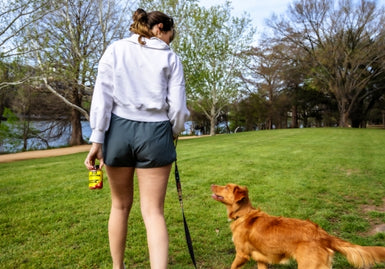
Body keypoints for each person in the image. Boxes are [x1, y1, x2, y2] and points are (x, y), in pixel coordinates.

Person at [84, 8, 190, 269]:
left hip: (118, 132)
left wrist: (97, 140)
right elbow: (177, 109)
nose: (168, 43)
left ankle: (117, 267)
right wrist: (173, 132)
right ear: (159, 28)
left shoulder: (115, 50)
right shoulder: (171, 59)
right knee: (153, 213)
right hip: (155, 133)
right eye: (169, 36)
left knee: (119, 206)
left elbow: (102, 98)